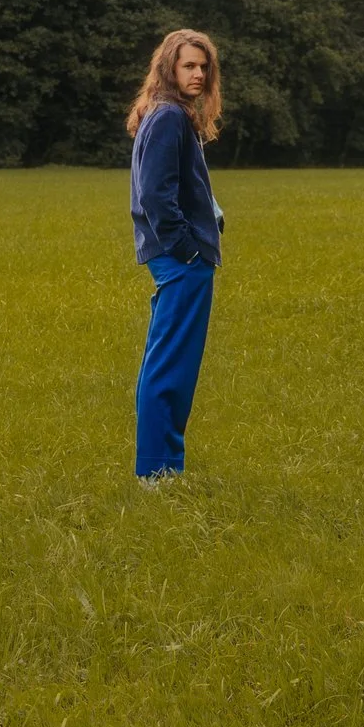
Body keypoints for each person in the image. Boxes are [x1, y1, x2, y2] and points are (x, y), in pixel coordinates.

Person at [127, 28, 225, 482]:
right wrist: (186, 249)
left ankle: (165, 466)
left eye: (203, 66)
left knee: (170, 362)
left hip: (181, 256)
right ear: (169, 67)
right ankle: (156, 470)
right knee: (170, 365)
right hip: (181, 259)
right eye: (189, 65)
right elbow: (154, 196)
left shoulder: (169, 114)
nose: (199, 74)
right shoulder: (167, 117)